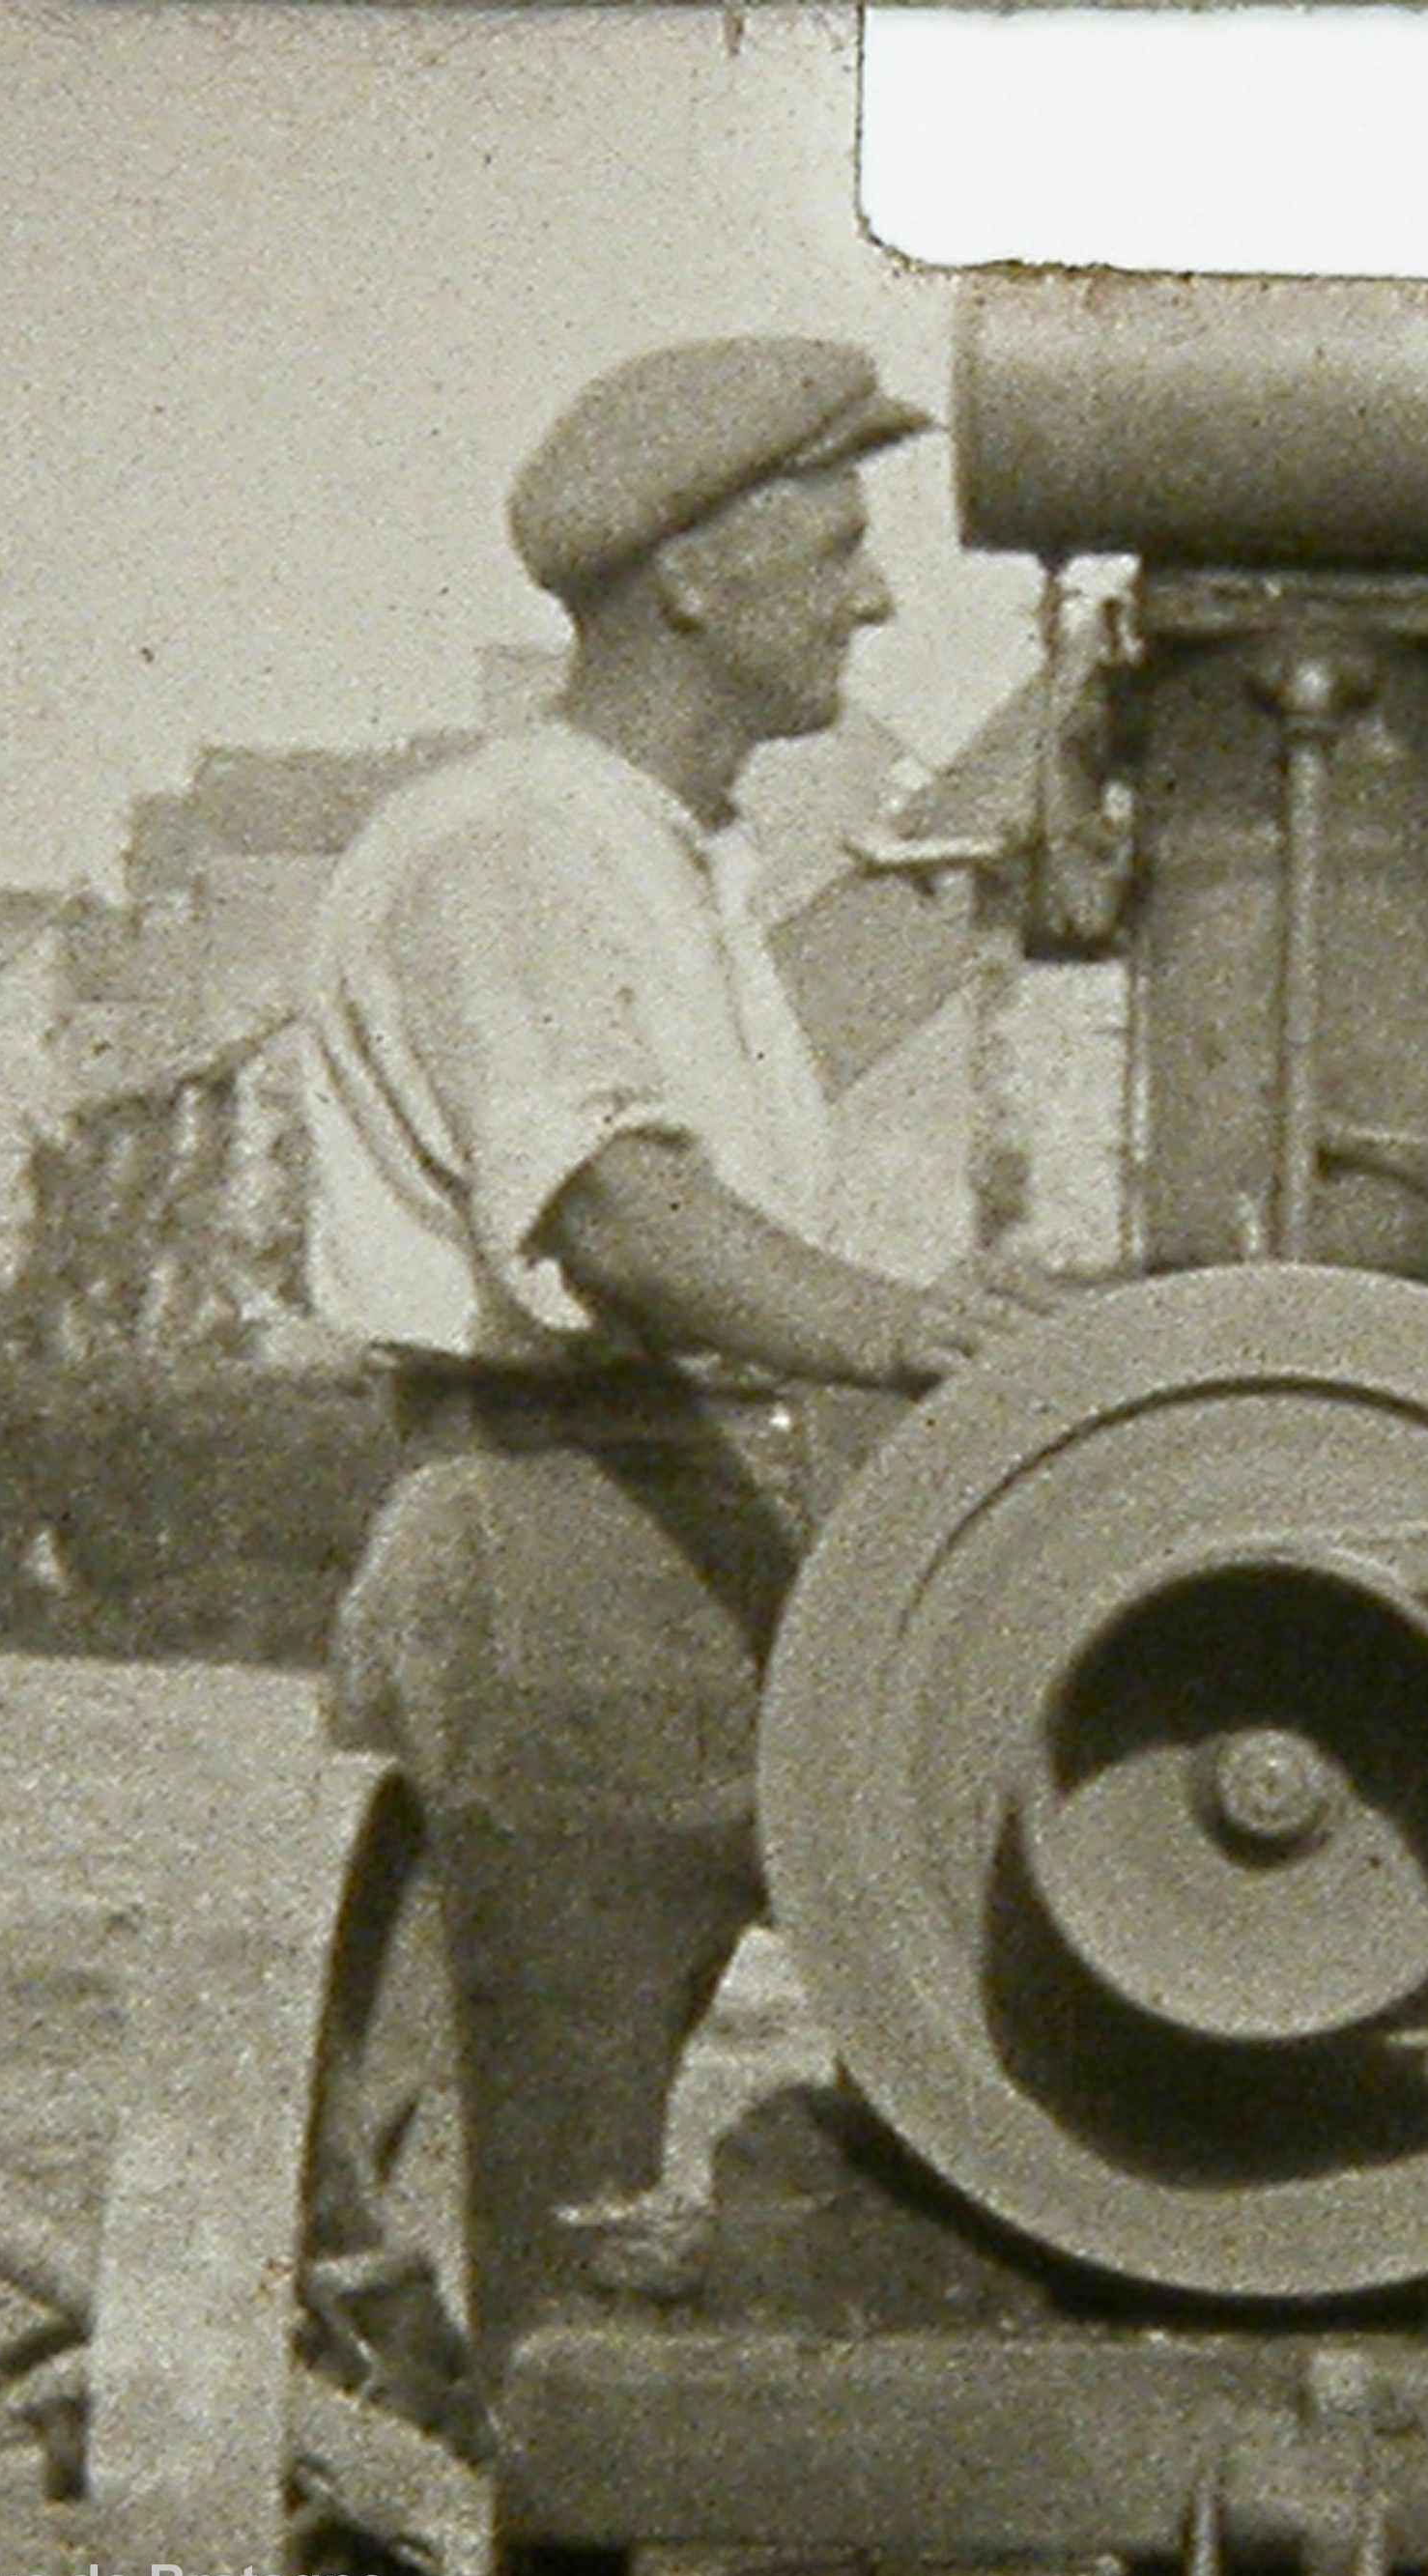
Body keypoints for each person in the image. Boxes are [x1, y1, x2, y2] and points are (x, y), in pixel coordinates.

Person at [300, 337, 1051, 2364]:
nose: (877, 597)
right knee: (538, 2207)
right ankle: (504, 2535)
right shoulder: (508, 851)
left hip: (691, 1517)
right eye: (834, 549)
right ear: (692, 584)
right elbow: (620, 1215)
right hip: (565, 1545)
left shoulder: (665, 859)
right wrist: (910, 1333)